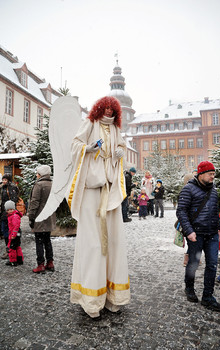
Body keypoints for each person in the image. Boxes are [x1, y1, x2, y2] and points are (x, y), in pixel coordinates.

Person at [68, 96, 130, 319]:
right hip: (91, 191)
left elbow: (121, 147)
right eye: (104, 108)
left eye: (111, 109)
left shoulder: (115, 129)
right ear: (98, 109)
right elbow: (74, 144)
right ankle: (91, 299)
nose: (107, 112)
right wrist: (88, 148)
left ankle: (114, 296)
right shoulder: (90, 124)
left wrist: (121, 151)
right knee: (93, 245)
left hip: (110, 192)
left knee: (114, 243)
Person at [176, 161, 220, 311]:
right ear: (201, 173)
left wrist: (218, 228)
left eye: (213, 174)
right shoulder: (188, 189)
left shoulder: (214, 190)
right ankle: (189, 288)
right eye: (210, 174)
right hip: (196, 235)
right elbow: (181, 211)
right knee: (193, 263)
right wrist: (189, 231)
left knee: (212, 265)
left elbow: (216, 211)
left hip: (211, 235)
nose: (212, 177)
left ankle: (208, 297)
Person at [28, 165, 56, 274]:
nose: (36, 175)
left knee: (39, 241)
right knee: (47, 240)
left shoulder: (39, 185)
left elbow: (34, 203)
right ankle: (50, 262)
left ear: (41, 174)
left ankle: (40, 265)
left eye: (37, 173)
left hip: (40, 218)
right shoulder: (52, 184)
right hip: (49, 216)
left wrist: (31, 217)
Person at [0, 174, 19, 259]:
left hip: (9, 213)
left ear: (8, 180)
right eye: (3, 179)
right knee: (5, 231)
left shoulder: (11, 187)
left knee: (10, 232)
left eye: (5, 180)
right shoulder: (3, 187)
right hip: (4, 213)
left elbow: (13, 200)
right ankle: (10, 250)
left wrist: (9, 211)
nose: (4, 181)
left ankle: (11, 250)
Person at [4, 200, 24, 266]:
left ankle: (13, 261)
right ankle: (19, 259)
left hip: (14, 233)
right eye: (8, 210)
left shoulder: (14, 216)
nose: (10, 211)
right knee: (17, 246)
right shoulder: (12, 215)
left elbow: (16, 226)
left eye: (11, 209)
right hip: (15, 233)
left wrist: (13, 234)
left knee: (12, 248)